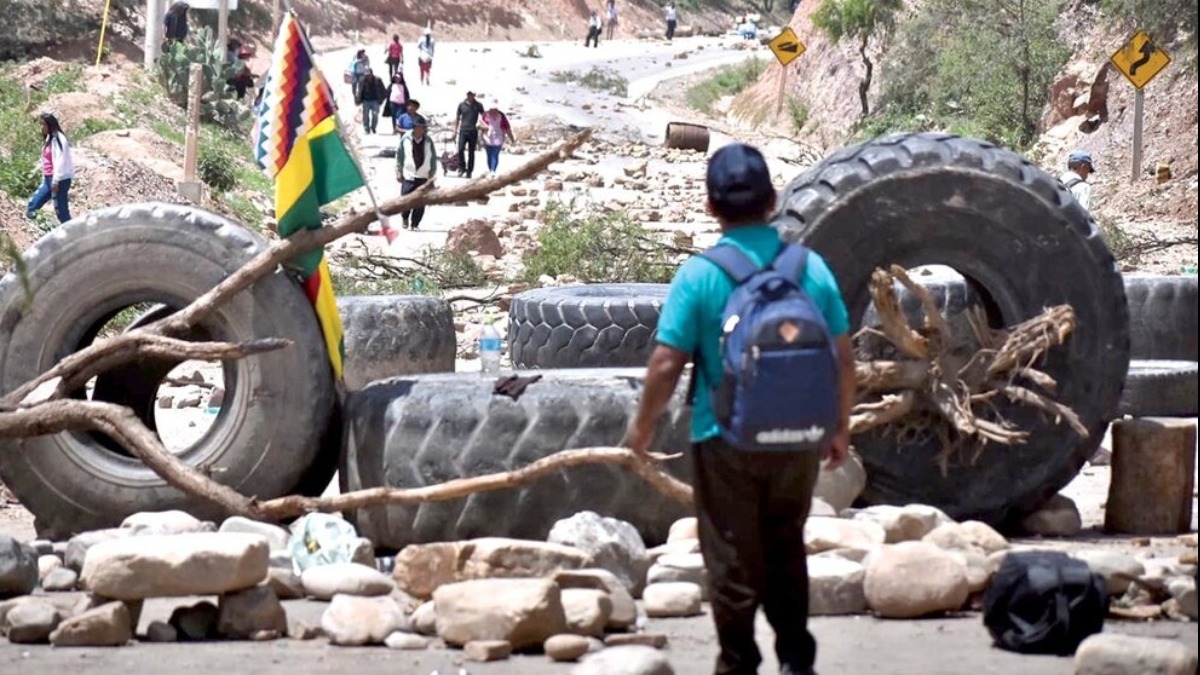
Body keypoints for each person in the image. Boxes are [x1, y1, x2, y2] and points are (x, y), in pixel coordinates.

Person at [627, 143, 854, 675]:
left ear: (711, 206)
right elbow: (843, 357)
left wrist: (641, 430)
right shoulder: (810, 268)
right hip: (798, 436)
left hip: (722, 434)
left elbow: (666, 364)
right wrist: (838, 426)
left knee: (730, 554)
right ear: (773, 200)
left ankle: (737, 663)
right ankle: (797, 660)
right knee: (785, 546)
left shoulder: (701, 275)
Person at [26, 113, 75, 224]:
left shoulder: (59, 139)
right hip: (49, 179)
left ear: (50, 125)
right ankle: (34, 231)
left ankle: (71, 233)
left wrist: (56, 180)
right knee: (33, 204)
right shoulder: (50, 139)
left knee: (61, 211)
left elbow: (60, 161)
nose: (41, 127)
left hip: (59, 180)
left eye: (43, 124)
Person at [395, 115, 437, 230]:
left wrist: (432, 175)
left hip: (423, 175)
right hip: (409, 174)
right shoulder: (406, 138)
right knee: (405, 199)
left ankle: (415, 223)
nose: (419, 130)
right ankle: (405, 217)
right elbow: (399, 155)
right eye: (417, 127)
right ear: (413, 128)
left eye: (422, 128)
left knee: (420, 201)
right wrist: (398, 171)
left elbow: (433, 158)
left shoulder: (428, 141)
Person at [453, 90, 485, 179]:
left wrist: (482, 125)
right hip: (463, 130)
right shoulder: (461, 105)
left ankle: (469, 171)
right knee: (460, 149)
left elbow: (484, 116)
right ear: (467, 95)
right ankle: (462, 167)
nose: (470, 96)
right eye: (469, 94)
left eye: (472, 94)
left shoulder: (478, 105)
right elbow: (457, 118)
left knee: (471, 152)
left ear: (474, 95)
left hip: (473, 131)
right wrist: (455, 131)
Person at [480, 102, 515, 174]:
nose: (492, 111)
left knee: (495, 155)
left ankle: (493, 171)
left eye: (494, 109)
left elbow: (507, 128)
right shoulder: (485, 115)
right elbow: (480, 125)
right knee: (489, 155)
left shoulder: (501, 116)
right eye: (491, 109)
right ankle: (490, 170)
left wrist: (512, 139)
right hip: (487, 138)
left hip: (498, 137)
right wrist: (481, 137)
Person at [355, 67, 387, 134]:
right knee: (365, 115)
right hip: (366, 101)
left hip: (375, 101)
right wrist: (358, 99)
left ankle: (373, 127)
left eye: (369, 75)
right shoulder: (362, 80)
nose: (368, 76)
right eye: (366, 75)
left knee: (375, 115)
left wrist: (381, 100)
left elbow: (384, 91)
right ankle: (366, 128)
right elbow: (359, 90)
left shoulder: (378, 80)